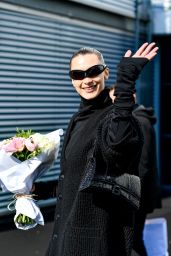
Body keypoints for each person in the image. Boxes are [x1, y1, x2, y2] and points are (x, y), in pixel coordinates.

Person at [34, 42, 158, 256]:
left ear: (106, 73)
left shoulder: (117, 119)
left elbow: (116, 151)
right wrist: (38, 190)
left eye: (93, 72)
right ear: (72, 80)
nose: (87, 80)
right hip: (63, 239)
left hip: (93, 244)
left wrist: (126, 83)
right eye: (78, 74)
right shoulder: (77, 119)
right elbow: (79, 179)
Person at [109, 89, 162, 256]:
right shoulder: (134, 118)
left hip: (137, 196)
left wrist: (131, 197)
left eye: (118, 98)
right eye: (112, 99)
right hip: (134, 193)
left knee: (133, 240)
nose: (114, 103)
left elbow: (143, 165)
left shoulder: (140, 121)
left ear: (132, 97)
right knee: (131, 240)